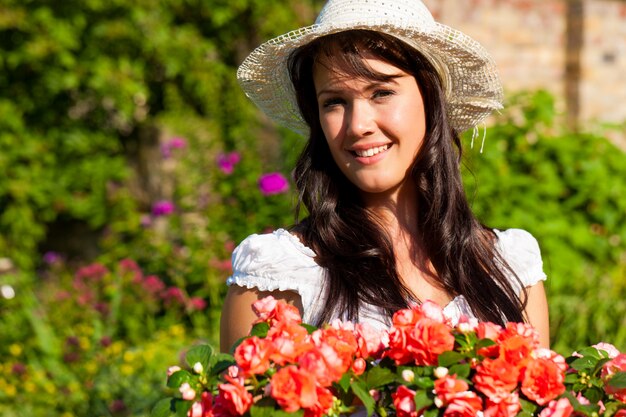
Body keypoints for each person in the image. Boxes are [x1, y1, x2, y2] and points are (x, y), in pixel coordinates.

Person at [220, 0, 550, 352]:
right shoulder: (277, 275)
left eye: (382, 92)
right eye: (334, 102)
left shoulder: (509, 266)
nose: (358, 125)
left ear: (430, 97)